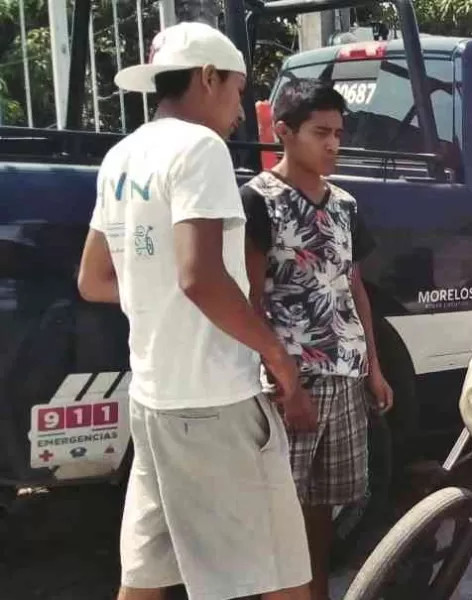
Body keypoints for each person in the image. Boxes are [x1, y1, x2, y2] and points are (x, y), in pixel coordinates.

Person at [77, 22, 317, 600]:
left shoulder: (122, 155)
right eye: (237, 90)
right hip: (216, 401)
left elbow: (94, 279)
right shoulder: (200, 148)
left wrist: (159, 291)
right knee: (282, 574)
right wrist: (278, 359)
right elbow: (200, 277)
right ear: (208, 78)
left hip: (154, 401)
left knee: (147, 575)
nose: (241, 108)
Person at [241, 78, 394, 600]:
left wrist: (373, 367)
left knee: (323, 507)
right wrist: (286, 384)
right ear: (283, 132)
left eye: (338, 134)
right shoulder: (259, 202)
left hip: (346, 377)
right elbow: (251, 299)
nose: (332, 144)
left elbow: (353, 288)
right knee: (276, 508)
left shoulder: (346, 205)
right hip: (292, 384)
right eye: (320, 132)